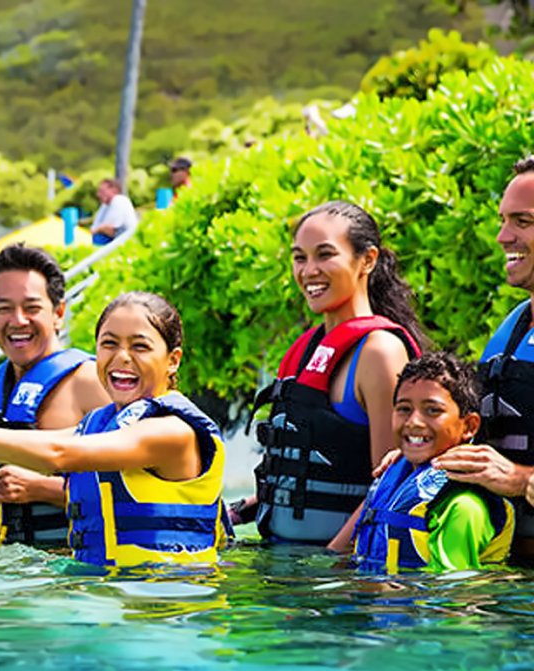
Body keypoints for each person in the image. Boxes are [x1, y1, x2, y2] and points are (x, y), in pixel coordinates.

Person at [0, 292, 227, 569]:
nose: (121, 358)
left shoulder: (172, 433)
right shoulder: (100, 424)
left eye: (140, 346)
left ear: (172, 359)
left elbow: (56, 455)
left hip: (171, 605)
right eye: (108, 344)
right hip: (111, 597)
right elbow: (36, 444)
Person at [229, 201, 428, 550]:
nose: (309, 271)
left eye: (325, 255)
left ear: (367, 260)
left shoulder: (380, 351)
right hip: (283, 561)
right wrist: (236, 512)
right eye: (299, 257)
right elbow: (303, 474)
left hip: (338, 579)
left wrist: (331, 565)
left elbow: (391, 483)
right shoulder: (306, 351)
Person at [0, 244, 110, 548]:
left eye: (32, 308)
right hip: (11, 578)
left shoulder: (91, 383)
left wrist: (43, 489)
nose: (18, 320)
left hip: (83, 579)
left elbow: (143, 490)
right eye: (4, 308)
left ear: (58, 312)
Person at [432, 156, 534, 559]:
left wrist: (520, 479)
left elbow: (510, 471)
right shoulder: (515, 327)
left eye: (523, 222)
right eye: (502, 219)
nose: (502, 236)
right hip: (509, 581)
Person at [353, 352, 513, 572]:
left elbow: (449, 595)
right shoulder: (398, 470)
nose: (414, 422)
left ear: (469, 427)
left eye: (432, 410)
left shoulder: (464, 506)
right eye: (404, 409)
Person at [90, 179, 139, 246]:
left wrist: (98, 229)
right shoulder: (105, 206)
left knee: (100, 238)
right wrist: (99, 229)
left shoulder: (119, 200)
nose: (98, 195)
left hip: (126, 243)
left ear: (114, 190)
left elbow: (110, 229)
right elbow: (93, 229)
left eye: (102, 191)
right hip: (114, 241)